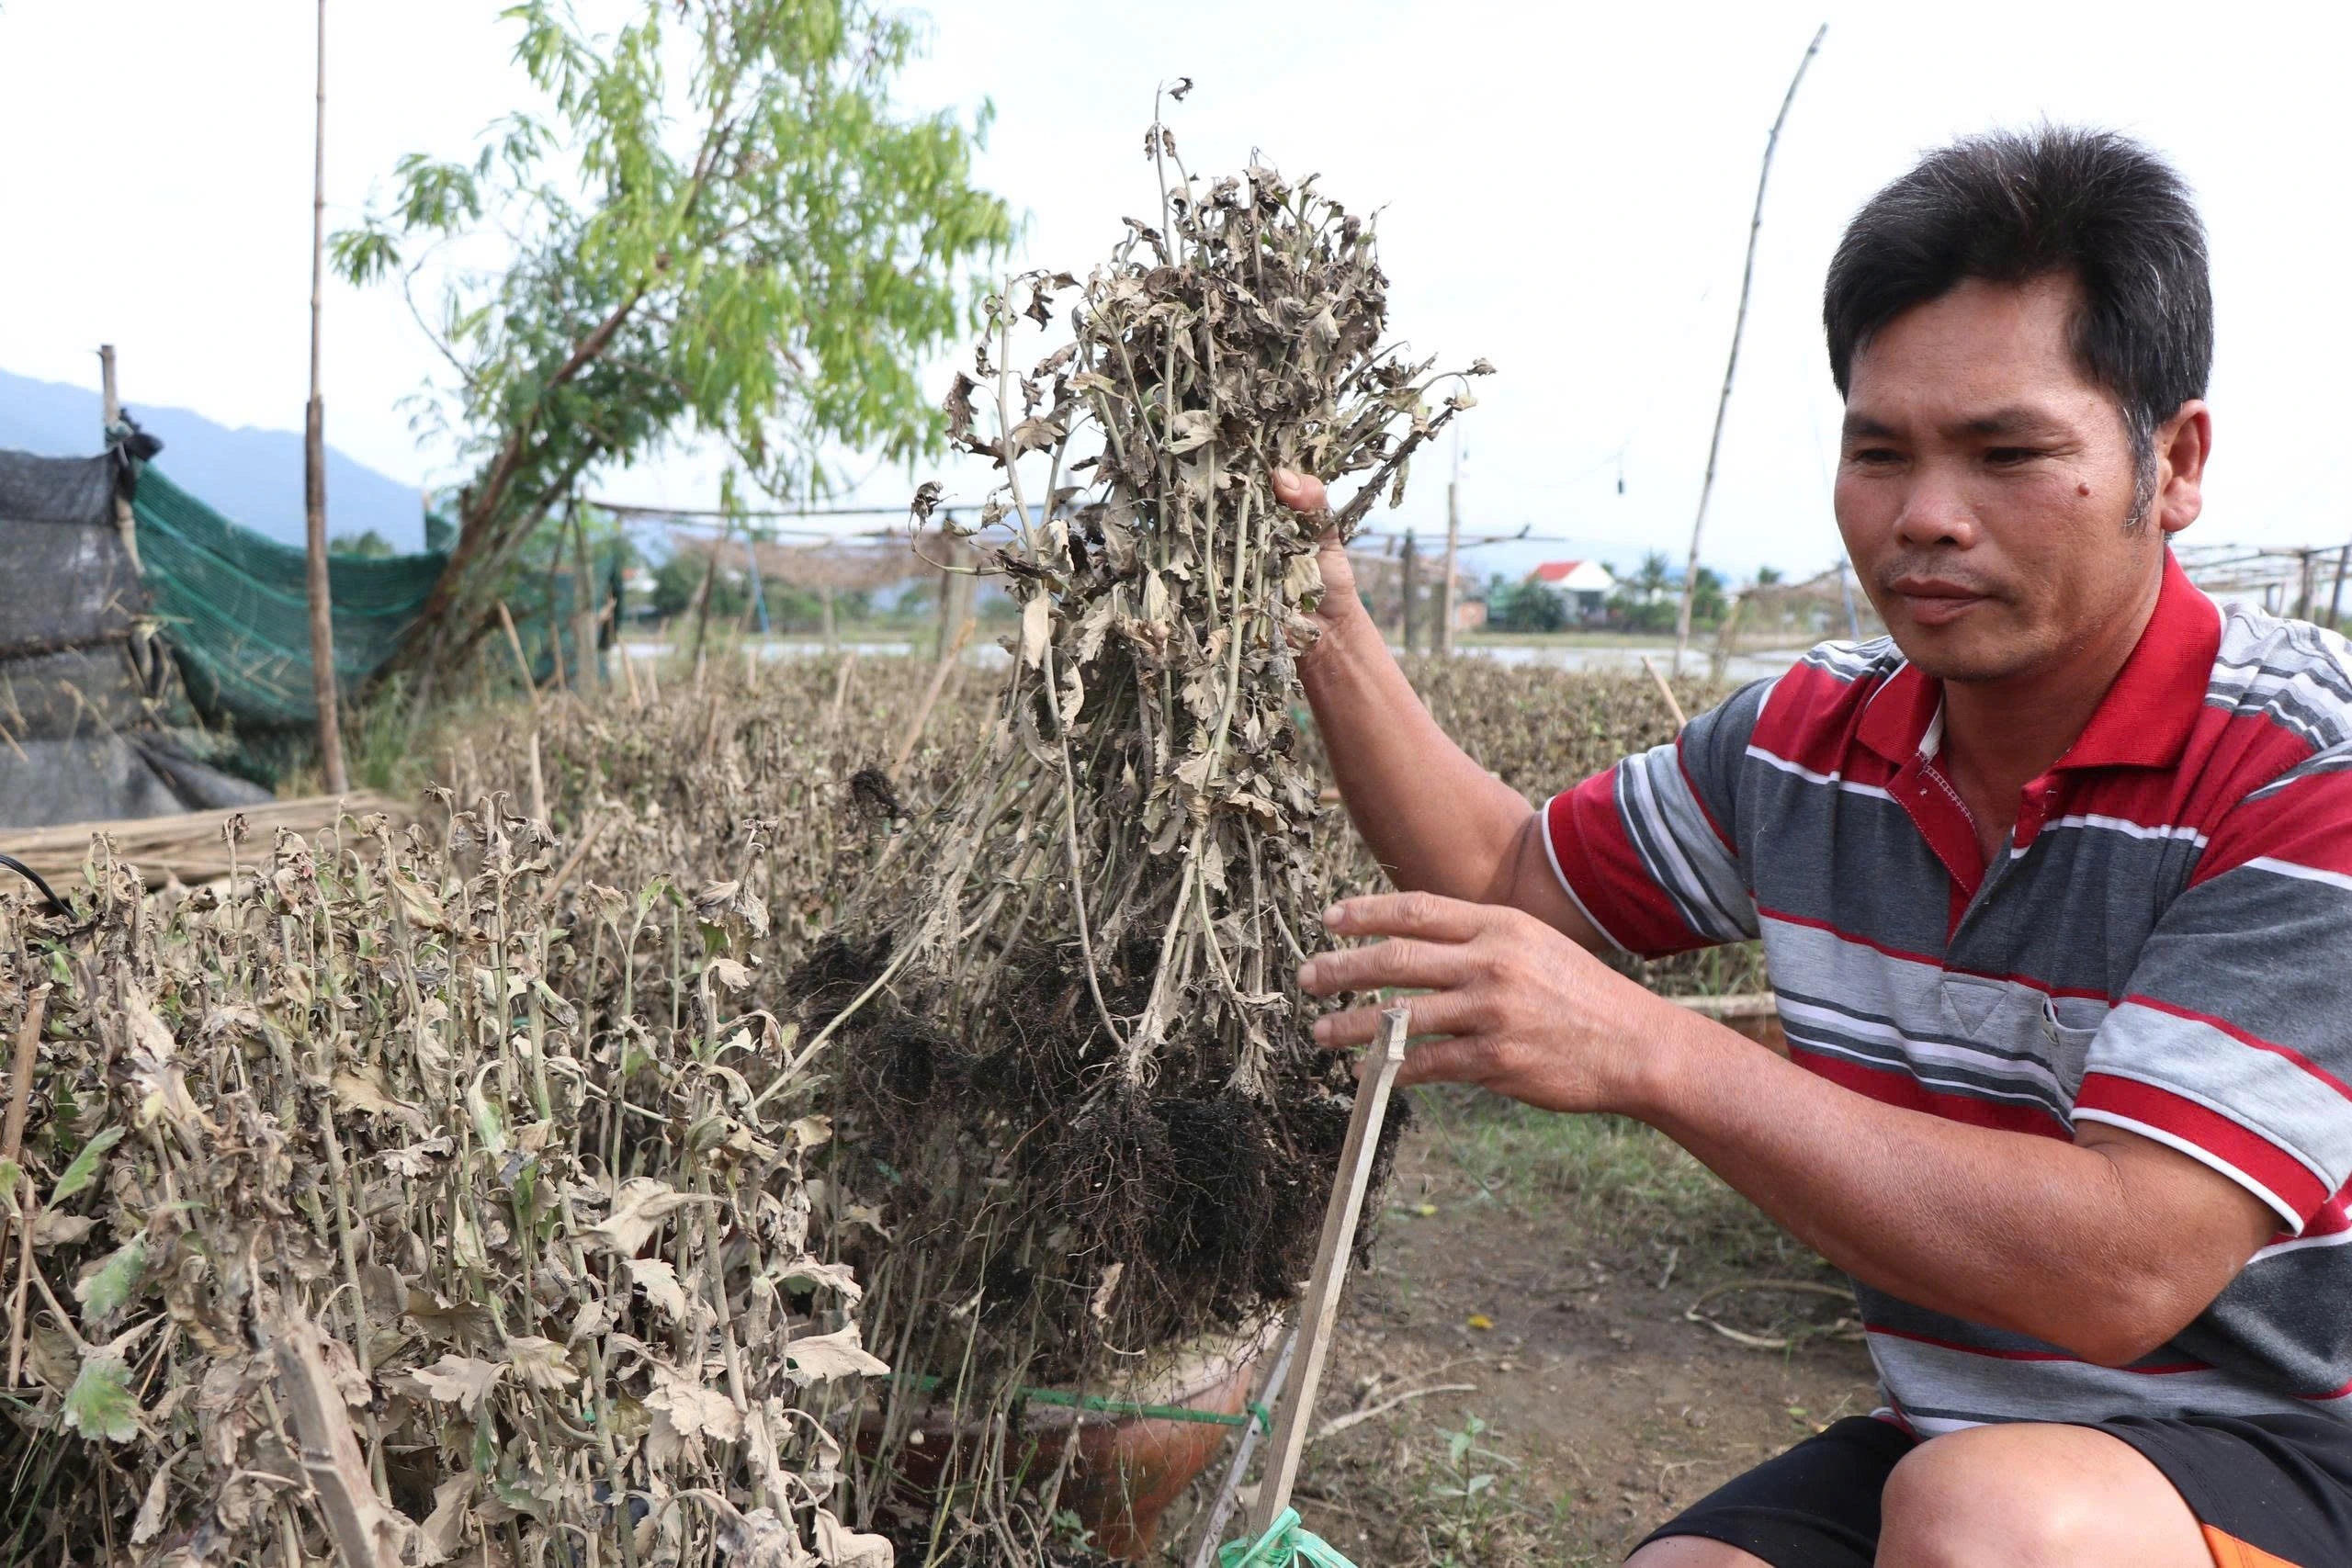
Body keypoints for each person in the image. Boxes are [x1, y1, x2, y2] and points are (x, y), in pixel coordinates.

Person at [1277, 126, 2352, 1568]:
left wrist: (1657, 1054)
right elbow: (1507, 879)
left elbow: (2125, 1265)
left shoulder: (2302, 764)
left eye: (2008, 452)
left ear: (2176, 463)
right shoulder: (1807, 743)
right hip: (1953, 1440)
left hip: (2283, 1445)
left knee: (1994, 1530)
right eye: (1878, 451)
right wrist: (1320, 617)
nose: (1926, 518)